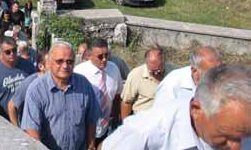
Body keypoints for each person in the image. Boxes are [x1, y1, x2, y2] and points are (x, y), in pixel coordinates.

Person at [100, 64, 251, 150]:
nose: (237, 147)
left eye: (245, 136)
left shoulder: (239, 124)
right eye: (226, 135)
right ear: (197, 111)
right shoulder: (145, 132)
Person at [21, 41, 101, 150]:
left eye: (69, 62)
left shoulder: (84, 85)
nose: (65, 66)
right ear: (49, 62)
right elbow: (31, 129)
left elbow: (91, 118)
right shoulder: (36, 89)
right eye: (59, 61)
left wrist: (91, 144)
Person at [74, 38, 123, 145]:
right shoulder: (79, 72)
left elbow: (117, 97)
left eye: (107, 55)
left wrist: (115, 121)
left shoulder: (113, 69)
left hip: (105, 128)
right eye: (100, 56)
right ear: (89, 56)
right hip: (84, 129)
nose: (104, 59)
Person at [0, 36, 35, 119]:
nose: (12, 54)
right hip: (6, 119)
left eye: (14, 50)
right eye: (7, 52)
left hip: (28, 116)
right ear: (1, 52)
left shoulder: (28, 65)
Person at [153, 46, 222, 107]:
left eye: (220, 70)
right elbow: (160, 116)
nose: (217, 77)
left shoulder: (224, 79)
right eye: (211, 73)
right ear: (195, 71)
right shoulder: (171, 85)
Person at [120, 47, 173, 120]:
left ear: (164, 62)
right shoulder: (135, 75)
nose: (156, 74)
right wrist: (125, 125)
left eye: (159, 70)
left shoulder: (174, 72)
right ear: (146, 63)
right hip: (142, 122)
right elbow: (126, 102)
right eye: (152, 71)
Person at [8, 50, 49, 127]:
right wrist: (16, 129)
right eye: (51, 63)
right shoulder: (31, 82)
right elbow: (12, 105)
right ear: (41, 66)